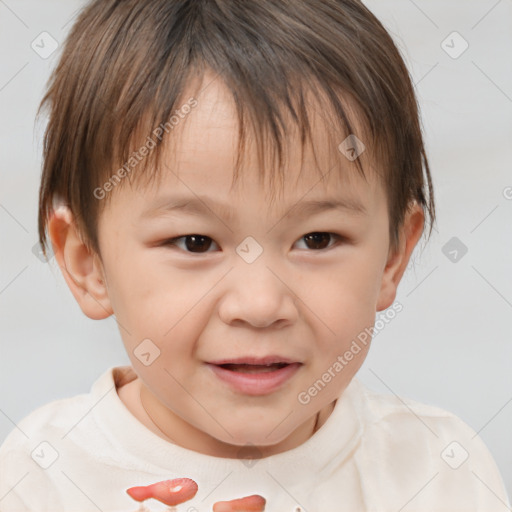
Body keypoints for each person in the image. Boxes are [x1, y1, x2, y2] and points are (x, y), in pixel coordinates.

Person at [0, 0, 509, 511]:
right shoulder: (42, 477)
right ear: (89, 264)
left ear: (393, 256)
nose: (261, 304)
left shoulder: (438, 471)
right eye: (196, 243)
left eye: (317, 239)